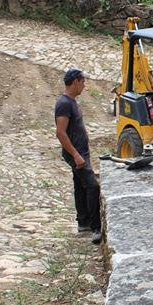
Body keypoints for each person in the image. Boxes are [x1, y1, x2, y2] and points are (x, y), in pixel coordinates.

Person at [54, 68, 101, 244]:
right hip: (76, 153)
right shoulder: (64, 104)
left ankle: (83, 222)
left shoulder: (72, 102)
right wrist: (75, 155)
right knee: (92, 187)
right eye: (82, 82)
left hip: (81, 151)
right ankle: (96, 227)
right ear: (75, 82)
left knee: (80, 185)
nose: (84, 85)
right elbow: (60, 132)